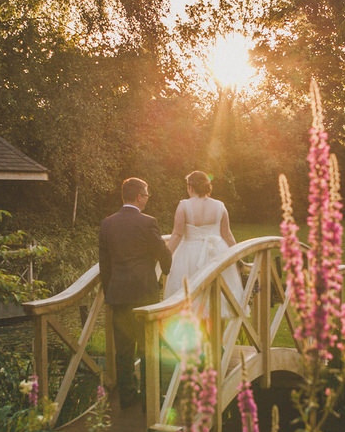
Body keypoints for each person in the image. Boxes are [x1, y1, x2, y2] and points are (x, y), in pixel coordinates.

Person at [99, 177, 172, 409]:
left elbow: (104, 264)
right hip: (144, 295)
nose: (148, 199)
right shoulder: (147, 222)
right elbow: (163, 254)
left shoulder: (107, 223)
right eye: (147, 195)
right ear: (139, 196)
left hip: (118, 294)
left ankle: (127, 397)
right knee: (149, 347)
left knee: (123, 349)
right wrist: (165, 271)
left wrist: (110, 289)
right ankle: (148, 399)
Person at [164, 170, 244, 312]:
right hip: (217, 252)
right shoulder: (220, 206)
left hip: (189, 254)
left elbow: (177, 234)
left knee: (190, 294)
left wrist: (166, 255)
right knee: (219, 293)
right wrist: (238, 256)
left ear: (190, 187)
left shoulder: (184, 205)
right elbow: (227, 234)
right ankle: (216, 329)